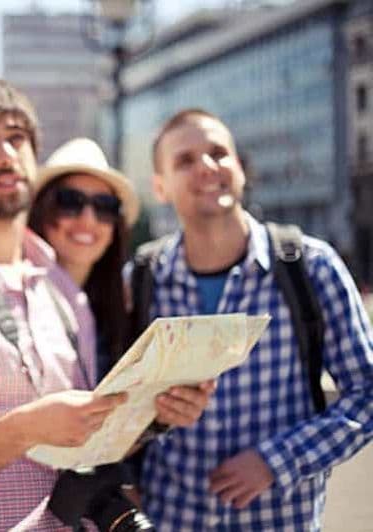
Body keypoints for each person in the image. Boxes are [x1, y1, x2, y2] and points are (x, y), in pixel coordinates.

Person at [0, 78, 213, 531]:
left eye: (16, 139)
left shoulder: (60, 283)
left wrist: (157, 417)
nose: (7, 154)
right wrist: (26, 428)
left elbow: (89, 438)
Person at [138, 108, 373, 530]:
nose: (207, 167)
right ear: (160, 187)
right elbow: (111, 408)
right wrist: (153, 419)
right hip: (171, 520)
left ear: (240, 169)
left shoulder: (312, 267)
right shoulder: (141, 281)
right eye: (185, 160)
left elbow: (368, 394)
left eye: (218, 153)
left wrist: (277, 461)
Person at [28, 137, 140, 376]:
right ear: (41, 211)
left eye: (105, 206)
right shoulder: (18, 298)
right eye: (70, 201)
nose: (88, 219)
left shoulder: (124, 306)